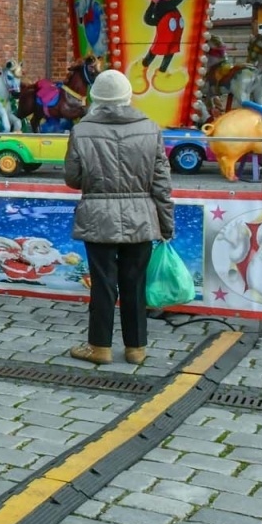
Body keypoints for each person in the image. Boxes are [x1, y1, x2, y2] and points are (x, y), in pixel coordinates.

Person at [63, 68, 174, 366]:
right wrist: (166, 224)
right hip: (142, 218)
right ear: (128, 96)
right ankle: (136, 348)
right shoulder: (151, 128)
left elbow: (72, 178)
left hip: (98, 217)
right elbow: (162, 184)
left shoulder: (82, 130)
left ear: (95, 98)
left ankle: (99, 347)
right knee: (134, 282)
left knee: (103, 283)